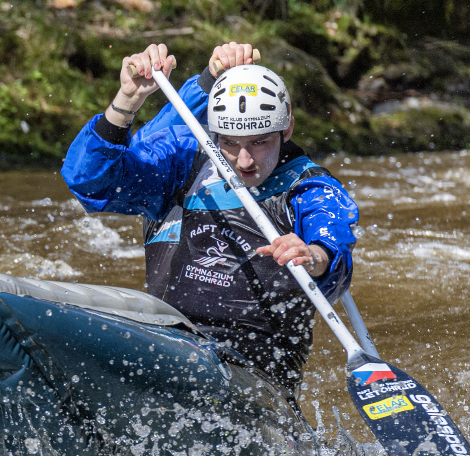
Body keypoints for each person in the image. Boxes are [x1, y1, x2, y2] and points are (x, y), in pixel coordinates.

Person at [61, 42, 359, 393]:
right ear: (214, 132)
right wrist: (128, 99)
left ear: (287, 129)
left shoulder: (310, 188)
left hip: (257, 380)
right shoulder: (183, 163)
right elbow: (90, 180)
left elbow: (333, 251)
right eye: (230, 142)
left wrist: (313, 257)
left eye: (260, 142)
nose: (244, 160)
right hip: (168, 348)